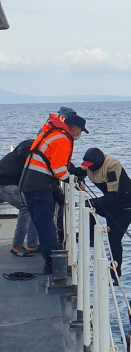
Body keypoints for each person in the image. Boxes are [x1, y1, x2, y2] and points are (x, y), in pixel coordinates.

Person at [20, 107, 88, 273]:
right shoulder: (62, 139)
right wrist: (75, 181)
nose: (78, 135)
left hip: (33, 184)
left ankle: (50, 255)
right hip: (39, 186)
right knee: (45, 224)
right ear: (74, 128)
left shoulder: (53, 133)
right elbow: (59, 170)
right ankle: (51, 262)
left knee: (43, 223)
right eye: (79, 131)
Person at [70, 148, 131, 279]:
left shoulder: (112, 166)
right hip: (113, 205)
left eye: (91, 166)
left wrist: (92, 201)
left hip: (126, 208)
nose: (89, 169)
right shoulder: (90, 166)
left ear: (98, 163)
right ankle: (91, 238)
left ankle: (116, 273)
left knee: (114, 240)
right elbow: (77, 171)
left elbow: (113, 195)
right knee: (90, 208)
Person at [0, 139, 39, 256]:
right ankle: (17, 245)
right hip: (5, 182)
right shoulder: (32, 149)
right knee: (26, 207)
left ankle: (32, 244)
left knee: (32, 206)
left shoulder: (28, 146)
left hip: (7, 181)